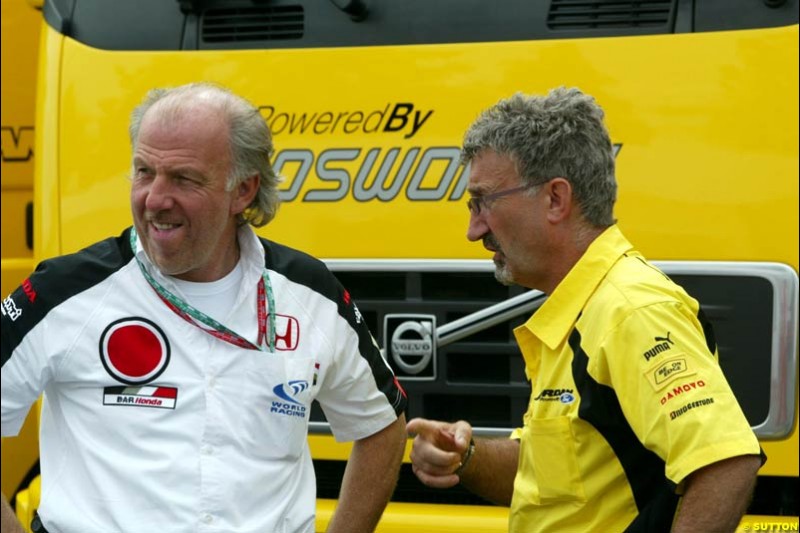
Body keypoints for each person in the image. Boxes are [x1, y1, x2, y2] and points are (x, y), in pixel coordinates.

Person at [0, 82, 408, 533]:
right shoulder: (65, 289)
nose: (155, 199)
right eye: (143, 172)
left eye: (184, 178)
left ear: (244, 191)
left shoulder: (309, 292)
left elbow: (381, 426)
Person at [406, 87, 763, 532]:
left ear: (556, 198)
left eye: (484, 202)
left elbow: (725, 462)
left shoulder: (631, 310)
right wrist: (467, 455)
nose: (473, 229)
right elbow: (554, 481)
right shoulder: (584, 308)